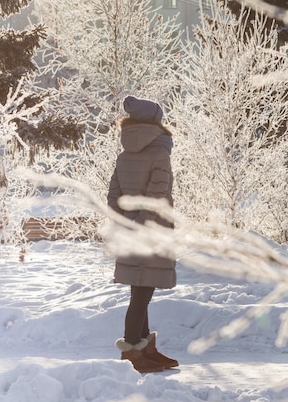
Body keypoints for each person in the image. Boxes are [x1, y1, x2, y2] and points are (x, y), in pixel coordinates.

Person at [107, 96, 178, 373]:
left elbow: (113, 195)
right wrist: (143, 223)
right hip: (152, 231)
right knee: (141, 293)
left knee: (140, 288)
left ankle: (144, 349)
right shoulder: (160, 153)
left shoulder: (124, 155)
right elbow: (157, 194)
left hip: (128, 230)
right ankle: (133, 355)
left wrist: (127, 222)